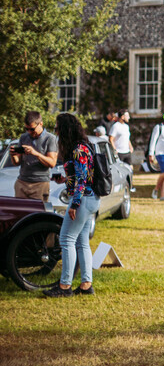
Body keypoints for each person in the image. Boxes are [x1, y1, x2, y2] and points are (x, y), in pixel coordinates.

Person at [44, 113, 99, 297]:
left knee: (66, 239)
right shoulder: (81, 147)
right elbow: (79, 177)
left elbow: (83, 180)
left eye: (58, 128)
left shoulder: (79, 149)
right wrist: (64, 180)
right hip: (89, 199)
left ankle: (65, 286)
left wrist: (74, 204)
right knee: (82, 242)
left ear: (66, 129)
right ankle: (86, 285)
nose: (56, 131)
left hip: (82, 199)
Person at [11, 111, 59, 202]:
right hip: (22, 182)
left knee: (37, 215)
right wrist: (13, 155)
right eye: (26, 129)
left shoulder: (50, 139)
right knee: (20, 214)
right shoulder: (23, 137)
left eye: (32, 129)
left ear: (41, 123)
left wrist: (35, 153)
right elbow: (17, 162)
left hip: (40, 184)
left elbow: (52, 163)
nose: (29, 132)